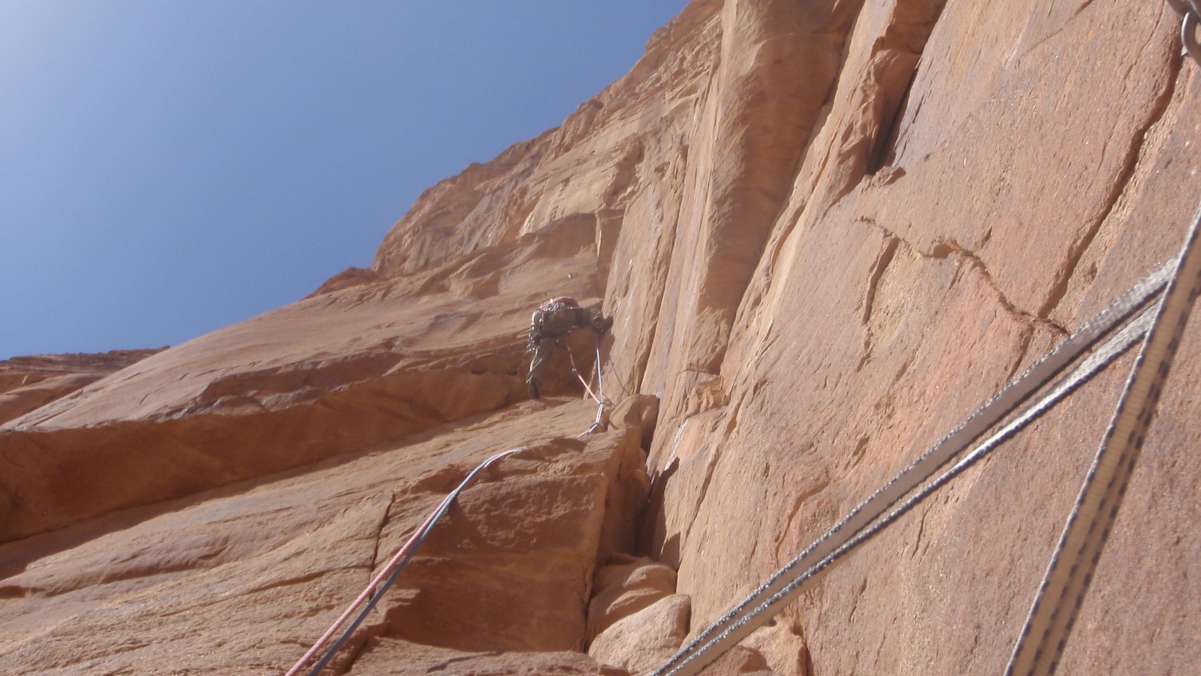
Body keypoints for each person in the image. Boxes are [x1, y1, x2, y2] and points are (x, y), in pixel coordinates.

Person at [526, 297, 612, 399]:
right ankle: (600, 324)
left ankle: (533, 382)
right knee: (588, 313)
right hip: (559, 317)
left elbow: (535, 333)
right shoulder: (555, 302)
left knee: (541, 357)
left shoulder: (537, 314)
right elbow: (570, 301)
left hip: (543, 333)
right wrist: (577, 315)